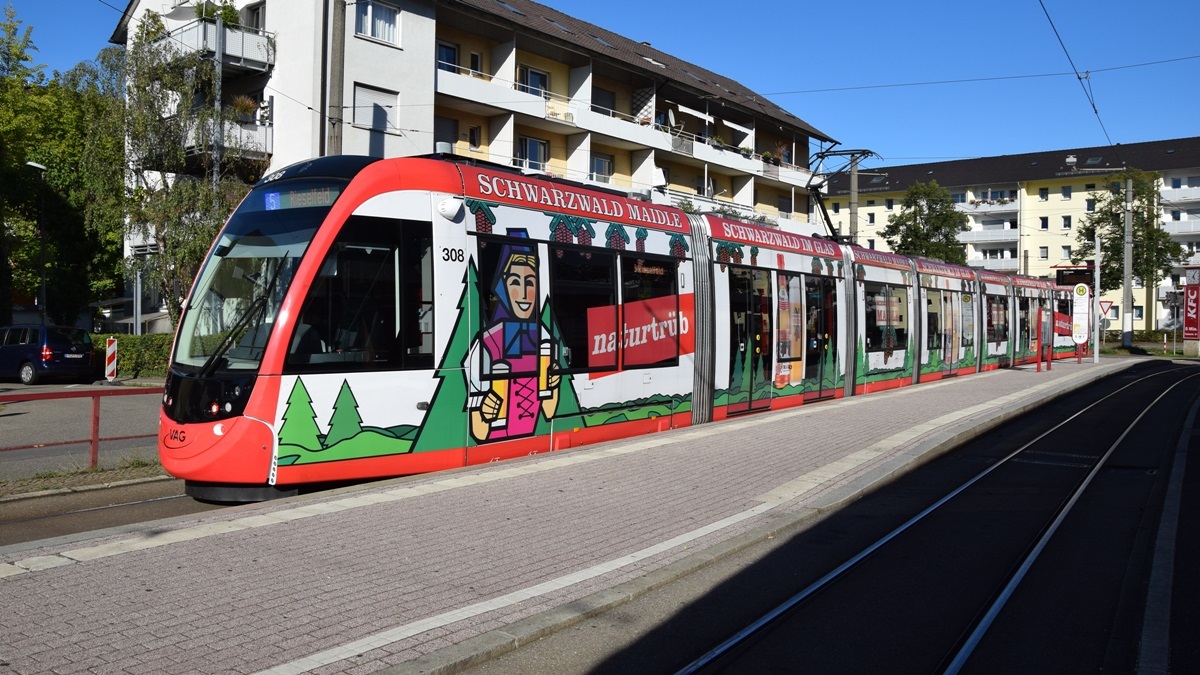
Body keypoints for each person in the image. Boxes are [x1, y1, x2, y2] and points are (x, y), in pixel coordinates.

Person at [466, 239, 560, 442]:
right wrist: (484, 411)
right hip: (496, 436)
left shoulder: (545, 340)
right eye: (515, 282)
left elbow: (549, 412)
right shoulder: (486, 345)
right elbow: (479, 431)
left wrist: (553, 387)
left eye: (530, 283)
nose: (525, 294)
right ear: (503, 288)